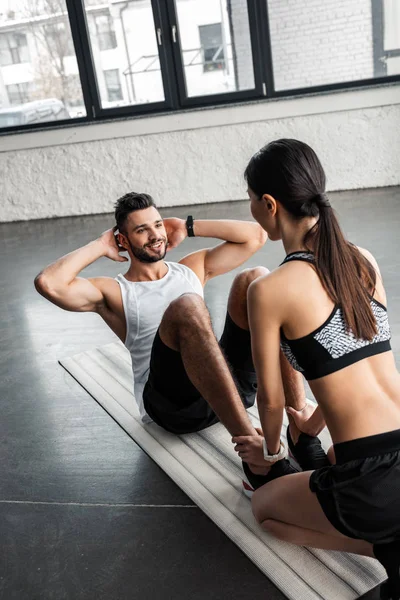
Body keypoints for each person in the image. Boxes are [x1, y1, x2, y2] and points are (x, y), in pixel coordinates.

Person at [34, 192, 305, 490]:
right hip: (175, 408)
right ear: (122, 241)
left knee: (258, 278)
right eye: (142, 230)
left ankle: (300, 427)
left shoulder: (191, 268)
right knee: (187, 305)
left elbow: (255, 235)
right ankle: (256, 457)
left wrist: (186, 227)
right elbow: (49, 283)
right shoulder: (113, 292)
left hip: (228, 389)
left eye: (158, 225)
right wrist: (100, 245)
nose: (155, 236)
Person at [232, 138, 400, 599]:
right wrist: (312, 423)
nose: (251, 209)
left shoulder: (270, 290)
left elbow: (269, 400)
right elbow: (359, 354)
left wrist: (268, 457)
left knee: (266, 509)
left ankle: (387, 548)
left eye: (250, 200)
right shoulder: (361, 259)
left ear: (269, 204)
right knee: (323, 462)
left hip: (374, 478)